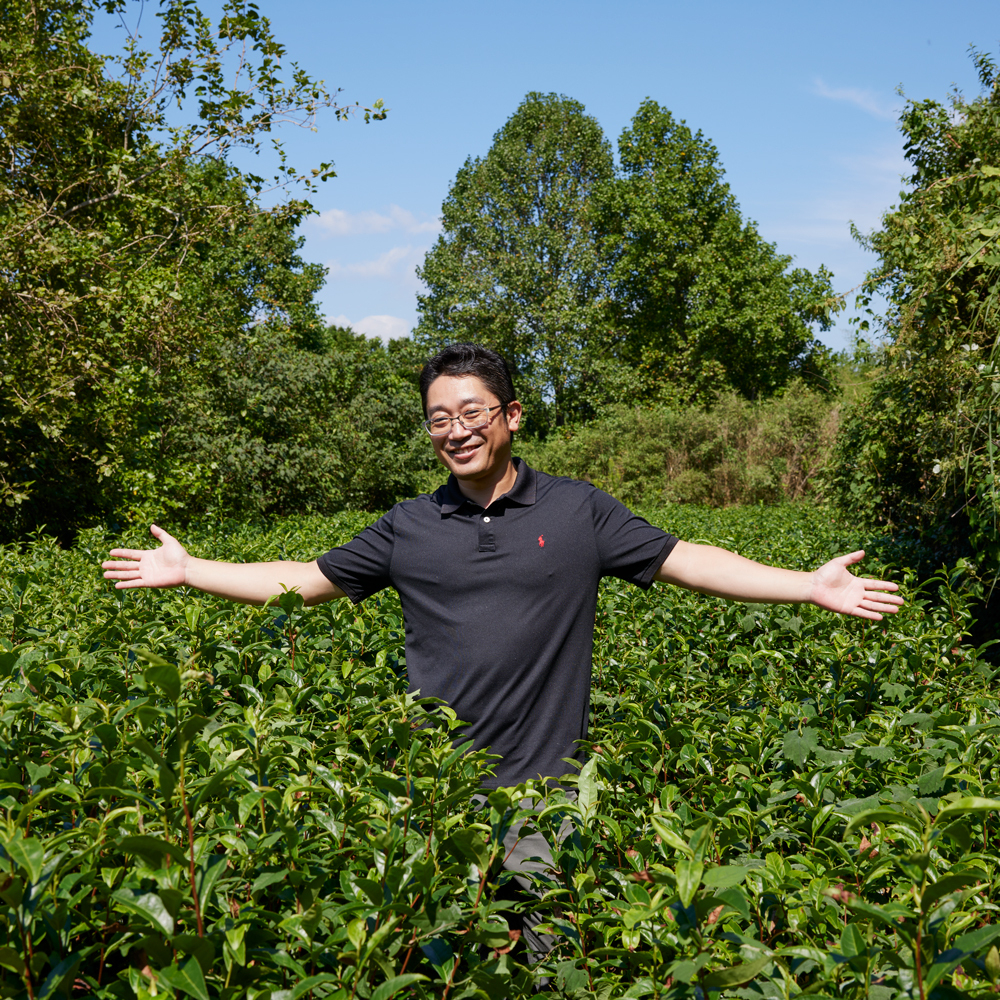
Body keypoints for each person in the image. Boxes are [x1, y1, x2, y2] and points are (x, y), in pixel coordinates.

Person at [103, 342, 903, 961]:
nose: (456, 430)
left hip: (543, 797)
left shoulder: (579, 510)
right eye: (439, 418)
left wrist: (806, 583)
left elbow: (687, 560)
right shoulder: (409, 526)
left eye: (471, 412)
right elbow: (307, 579)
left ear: (511, 415)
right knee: (442, 959)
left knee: (552, 959)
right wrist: (188, 570)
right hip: (432, 797)